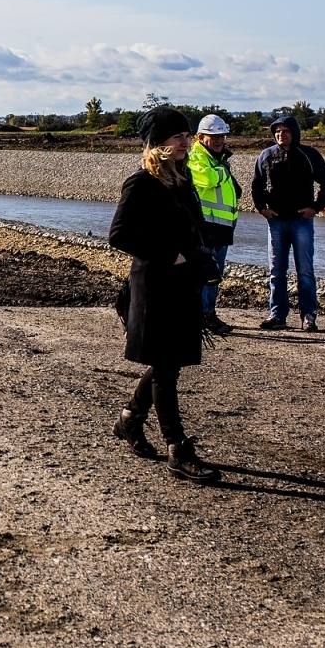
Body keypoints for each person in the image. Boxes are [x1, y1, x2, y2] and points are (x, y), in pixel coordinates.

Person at [108, 106, 220, 483]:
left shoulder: (180, 178)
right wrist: (167, 255)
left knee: (166, 364)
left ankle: (129, 420)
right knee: (166, 368)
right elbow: (119, 235)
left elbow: (195, 227)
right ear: (159, 143)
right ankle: (177, 449)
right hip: (155, 287)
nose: (187, 141)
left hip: (181, 284)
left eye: (187, 136)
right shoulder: (140, 183)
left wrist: (201, 258)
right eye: (179, 136)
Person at [252, 113, 325, 332]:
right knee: (276, 271)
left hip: (301, 221)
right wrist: (262, 209)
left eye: (285, 131)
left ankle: (309, 316)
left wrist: (316, 207)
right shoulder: (266, 156)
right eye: (277, 132)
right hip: (276, 221)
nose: (281, 135)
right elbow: (256, 185)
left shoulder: (309, 155)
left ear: (294, 133)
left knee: (305, 270)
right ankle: (277, 315)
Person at [188, 114, 241, 335]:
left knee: (214, 275)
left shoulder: (216, 160)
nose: (219, 140)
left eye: (222, 136)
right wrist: (224, 169)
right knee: (205, 275)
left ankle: (208, 313)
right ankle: (202, 316)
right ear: (200, 137)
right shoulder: (196, 159)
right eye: (213, 136)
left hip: (220, 228)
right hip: (206, 228)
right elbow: (208, 179)